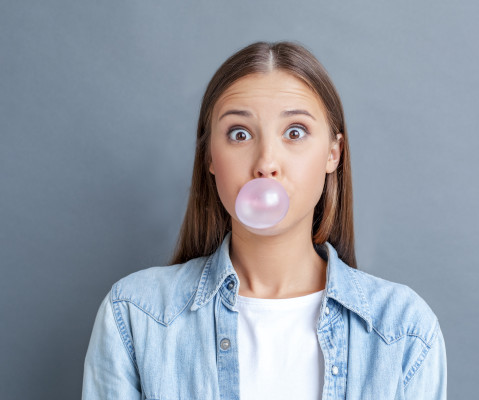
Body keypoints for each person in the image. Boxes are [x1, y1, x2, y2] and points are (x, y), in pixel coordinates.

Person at [82, 41, 447, 399]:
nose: (266, 162)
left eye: (295, 132)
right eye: (240, 134)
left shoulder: (403, 329)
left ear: (333, 154)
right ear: (210, 156)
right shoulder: (135, 315)